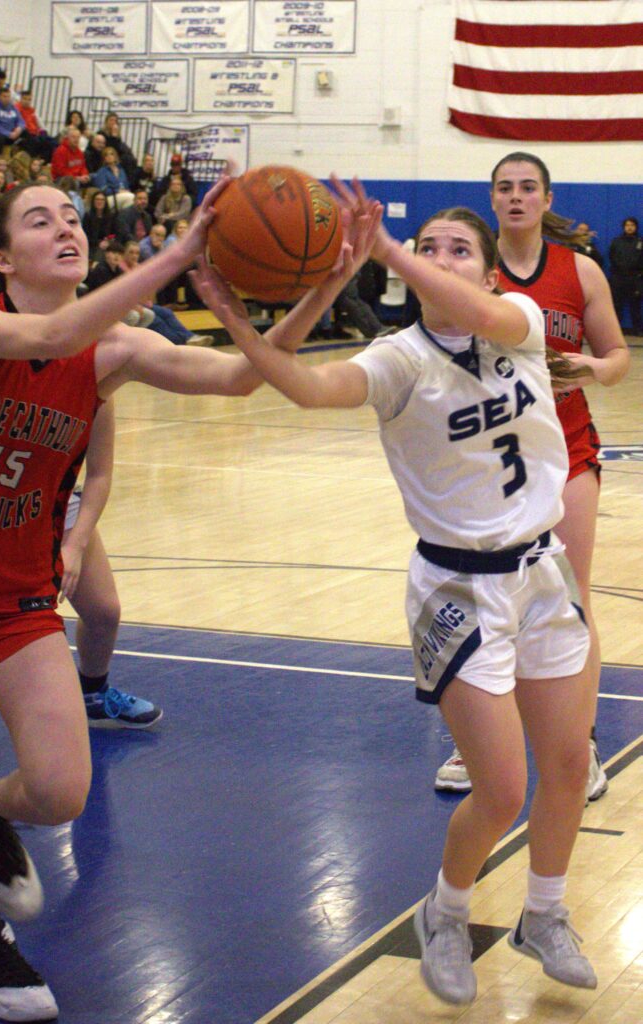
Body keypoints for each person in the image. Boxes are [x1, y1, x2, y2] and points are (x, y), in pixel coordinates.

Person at [0, 177, 367, 1020]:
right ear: (1, 256)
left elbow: (243, 378)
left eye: (73, 217)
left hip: (14, 593)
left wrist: (325, 284)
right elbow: (53, 331)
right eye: (39, 218)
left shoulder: (115, 350)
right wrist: (174, 253)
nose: (65, 227)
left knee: (58, 793)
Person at [199, 179, 598, 1006]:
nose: (440, 259)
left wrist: (386, 248)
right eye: (431, 248)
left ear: (490, 277)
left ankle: (545, 913)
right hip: (457, 588)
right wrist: (247, 315)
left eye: (460, 250)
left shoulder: (519, 327)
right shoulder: (399, 361)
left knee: (567, 763)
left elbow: (481, 312)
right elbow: (307, 387)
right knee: (500, 790)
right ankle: (445, 915)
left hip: (543, 569)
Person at [435, 153, 630, 802]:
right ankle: (480, 745)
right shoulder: (470, 273)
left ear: (547, 200)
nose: (516, 197)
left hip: (568, 450)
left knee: (572, 598)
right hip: (492, 458)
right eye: (504, 188)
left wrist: (593, 368)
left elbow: (619, 355)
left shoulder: (582, 271)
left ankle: (583, 737)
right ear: (491, 199)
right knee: (487, 600)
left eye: (528, 188)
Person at [0, 398, 163, 790]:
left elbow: (99, 476)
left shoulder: (97, 384)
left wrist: (75, 546)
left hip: (53, 506)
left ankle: (93, 694)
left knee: (104, 611)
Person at [119, 239, 212, 345]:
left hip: (145, 304)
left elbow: (149, 290)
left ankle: (190, 336)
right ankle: (181, 342)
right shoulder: (121, 269)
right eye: (131, 252)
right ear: (124, 254)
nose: (134, 256)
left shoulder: (138, 267)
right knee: (157, 321)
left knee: (167, 313)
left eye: (137, 253)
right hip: (132, 306)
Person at [608, 217, 643, 336]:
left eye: (632, 225)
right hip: (618, 278)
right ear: (624, 227)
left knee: (635, 306)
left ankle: (637, 329)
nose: (629, 227)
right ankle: (615, 330)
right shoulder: (616, 241)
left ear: (636, 227)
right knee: (617, 305)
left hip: (635, 279)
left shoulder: (640, 242)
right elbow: (611, 256)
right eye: (627, 225)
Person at [0, 88, 26, 156]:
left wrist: (19, 128)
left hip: (12, 133)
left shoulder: (12, 107)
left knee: (27, 134)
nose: (7, 99)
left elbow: (21, 120)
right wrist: (8, 133)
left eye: (8, 96)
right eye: (4, 96)